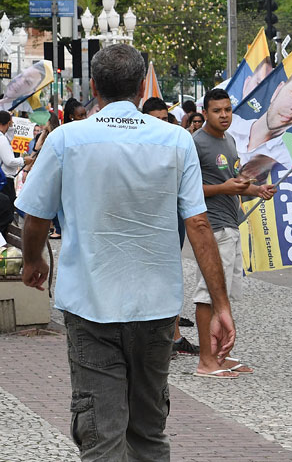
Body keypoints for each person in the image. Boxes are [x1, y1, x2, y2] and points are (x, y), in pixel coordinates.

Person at [16, 43, 236, 460]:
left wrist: (33, 261)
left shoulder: (66, 139)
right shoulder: (176, 141)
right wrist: (221, 304)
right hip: (155, 309)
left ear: (94, 86)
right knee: (149, 432)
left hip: (90, 306)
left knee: (101, 435)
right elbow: (199, 224)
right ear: (140, 88)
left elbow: (35, 218)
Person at [192, 88, 276, 378]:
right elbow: (188, 189)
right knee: (208, 294)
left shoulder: (228, 141)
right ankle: (205, 360)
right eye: (217, 110)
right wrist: (224, 189)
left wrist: (255, 190)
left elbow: (232, 182)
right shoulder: (197, 143)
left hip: (231, 223)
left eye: (228, 109)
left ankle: (217, 355)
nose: (224, 115)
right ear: (205, 113)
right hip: (211, 228)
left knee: (223, 294)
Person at [142, 96, 200, 354]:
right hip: (147, 223)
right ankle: (165, 338)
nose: (162, 126)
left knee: (170, 272)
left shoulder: (177, 145)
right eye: (156, 120)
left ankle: (172, 334)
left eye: (165, 120)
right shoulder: (137, 150)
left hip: (172, 218)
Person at [0, 111, 33, 203]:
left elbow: (9, 138)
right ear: (7, 123)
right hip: (4, 179)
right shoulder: (1, 139)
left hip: (4, 178)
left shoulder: (3, 137)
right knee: (7, 208)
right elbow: (9, 161)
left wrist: (10, 126)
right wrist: (23, 160)